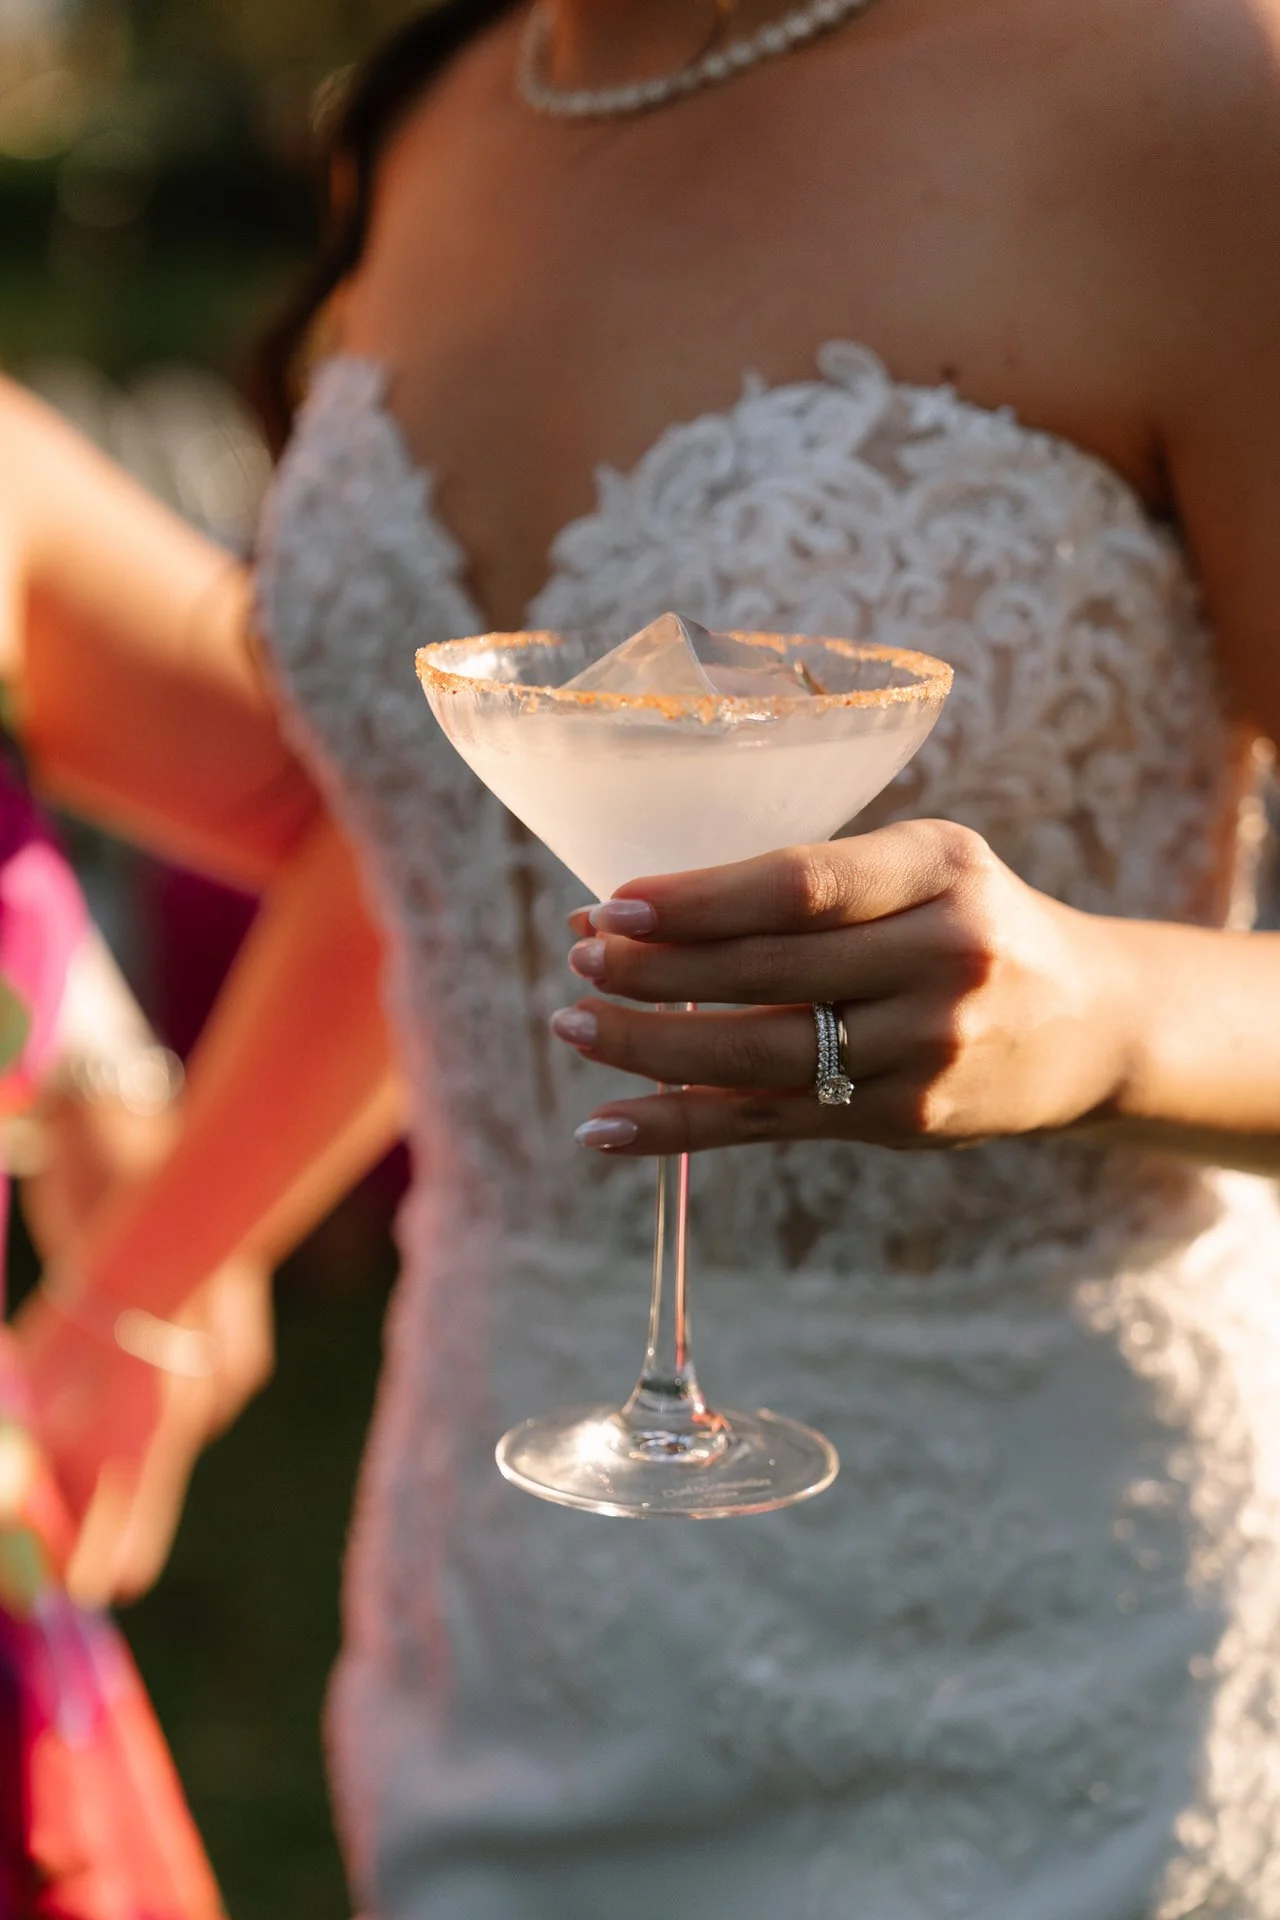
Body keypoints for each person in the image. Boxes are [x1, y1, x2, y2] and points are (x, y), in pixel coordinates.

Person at [14, 0, 1280, 1913]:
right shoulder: (442, 108)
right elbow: (405, 849)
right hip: (498, 1587)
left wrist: (1107, 1023)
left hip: (1035, 1639)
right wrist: (140, 1287)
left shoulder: (1198, 97)